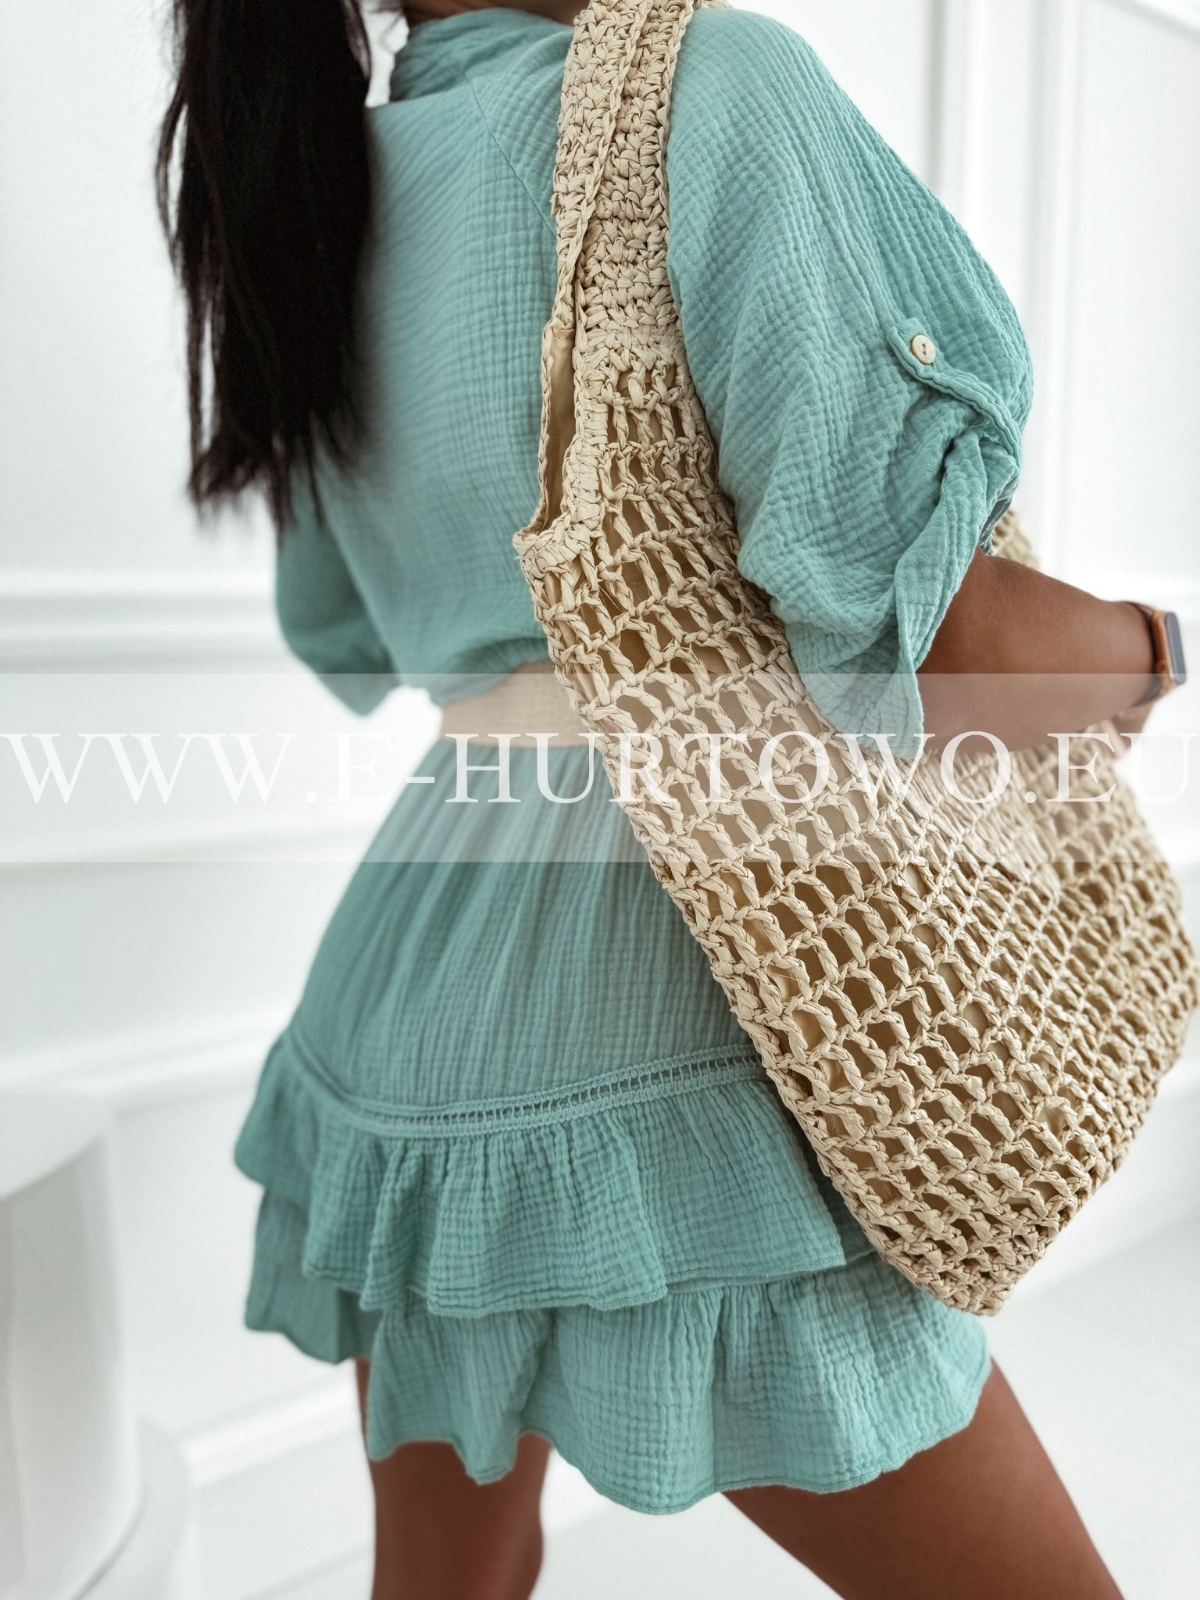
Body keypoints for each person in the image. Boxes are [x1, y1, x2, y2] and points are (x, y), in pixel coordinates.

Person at [157, 2, 1174, 1595]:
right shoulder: (708, 83)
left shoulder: (309, 193)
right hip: (689, 1008)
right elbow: (951, 646)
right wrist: (1155, 651)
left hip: (404, 999)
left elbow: (340, 629)